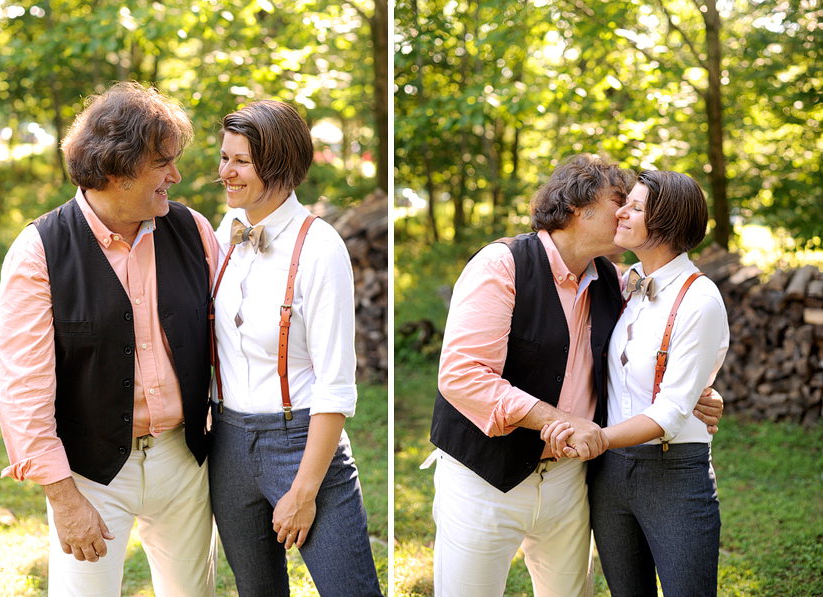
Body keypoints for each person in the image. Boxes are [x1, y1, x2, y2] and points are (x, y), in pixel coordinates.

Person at [429, 154, 724, 597]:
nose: (625, 212)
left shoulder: (616, 279)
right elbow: (460, 375)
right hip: (484, 476)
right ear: (577, 207)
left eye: (633, 205)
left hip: (569, 480)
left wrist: (703, 393)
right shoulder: (502, 264)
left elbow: (663, 342)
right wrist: (553, 419)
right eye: (617, 201)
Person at [0, 82, 218, 596]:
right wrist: (64, 499)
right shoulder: (37, 252)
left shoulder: (194, 231)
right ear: (117, 170)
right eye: (163, 163)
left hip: (184, 460)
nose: (176, 177)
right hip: (90, 471)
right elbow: (22, 390)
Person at [207, 99, 383, 597]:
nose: (226, 172)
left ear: (277, 164)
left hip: (301, 443)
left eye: (240, 161)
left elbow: (336, 384)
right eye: (224, 157)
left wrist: (304, 491)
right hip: (227, 443)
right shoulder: (225, 233)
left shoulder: (321, 248)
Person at [543, 170, 729, 596]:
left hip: (674, 475)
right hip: (608, 476)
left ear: (664, 223)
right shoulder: (619, 283)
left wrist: (597, 438)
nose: (620, 213)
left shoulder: (700, 300)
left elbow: (670, 411)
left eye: (635, 207)